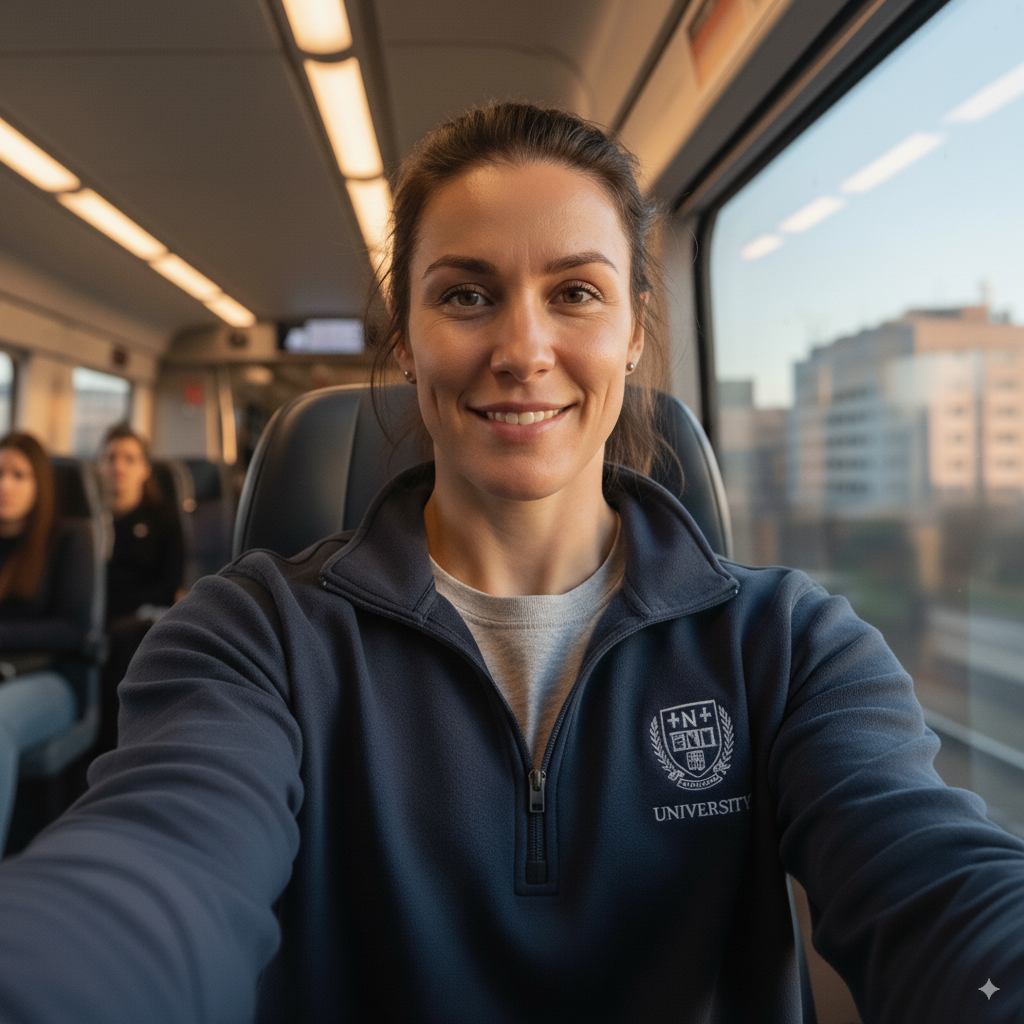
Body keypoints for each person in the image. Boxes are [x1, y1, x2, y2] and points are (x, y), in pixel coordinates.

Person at [0, 104, 1022, 1023]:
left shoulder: (788, 645)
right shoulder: (254, 637)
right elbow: (159, 865)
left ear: (631, 333)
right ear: (406, 337)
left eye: (575, 291)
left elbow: (933, 881)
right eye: (468, 295)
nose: (523, 348)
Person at [0, 432, 93, 851]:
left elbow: (73, 629)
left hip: (53, 678)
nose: (5, 485)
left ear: (40, 483)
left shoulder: (70, 537)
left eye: (19, 475)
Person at [94, 423, 185, 754]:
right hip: (93, 615)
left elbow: (168, 584)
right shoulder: (87, 522)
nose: (118, 466)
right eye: (110, 457)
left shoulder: (163, 518)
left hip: (140, 615)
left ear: (145, 468)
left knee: (123, 641)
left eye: (129, 458)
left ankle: (120, 747)